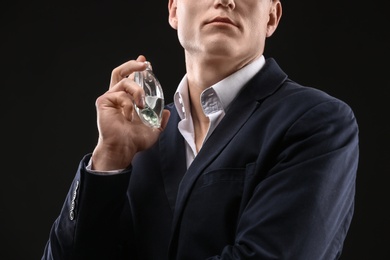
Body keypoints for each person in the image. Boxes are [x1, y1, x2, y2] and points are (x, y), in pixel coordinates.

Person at [42, 0, 359, 259]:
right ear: (174, 10)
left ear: (271, 18)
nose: (225, 1)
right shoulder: (138, 137)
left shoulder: (319, 121)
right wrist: (110, 157)